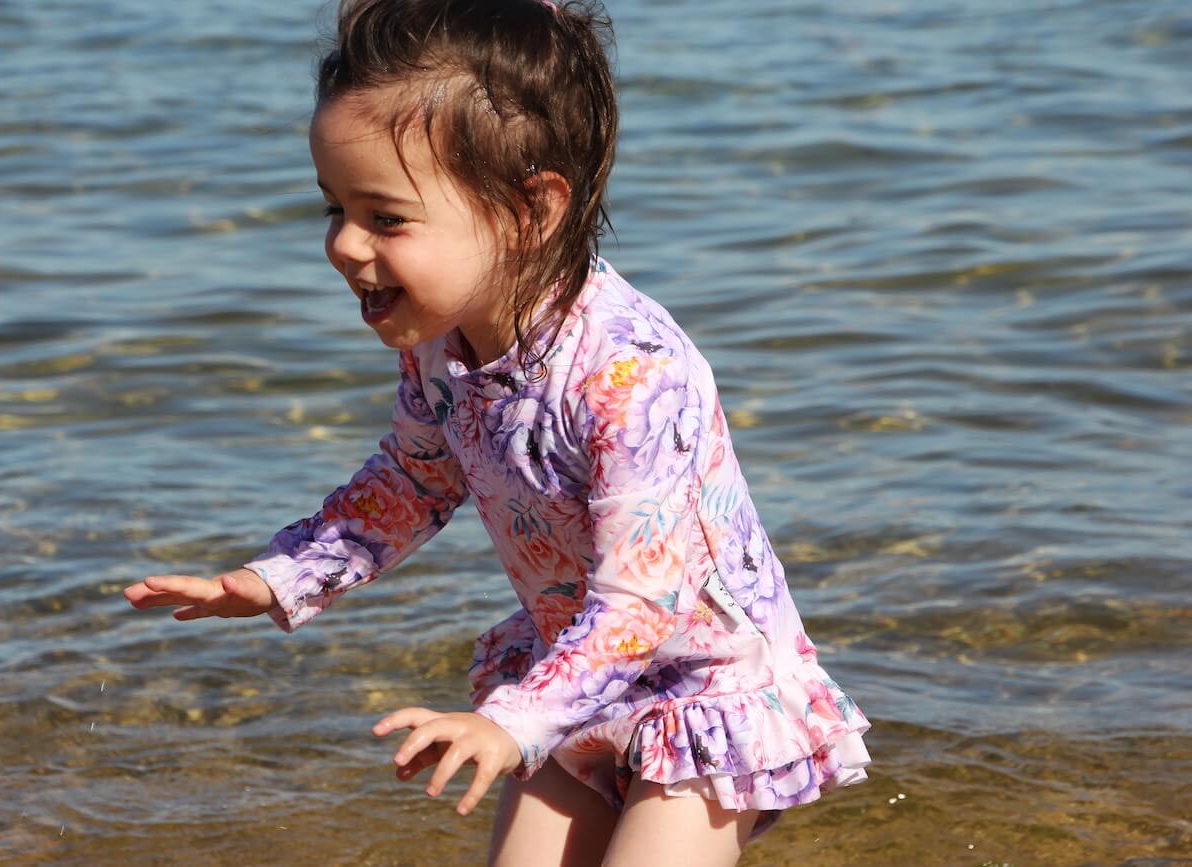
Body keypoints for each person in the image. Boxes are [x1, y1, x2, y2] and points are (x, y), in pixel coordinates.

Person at [123, 1, 871, 863]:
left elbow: (637, 605)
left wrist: (509, 722)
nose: (341, 244)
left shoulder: (633, 377)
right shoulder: (443, 346)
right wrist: (277, 576)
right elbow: (410, 481)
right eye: (333, 207)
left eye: (385, 217)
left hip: (706, 689)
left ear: (530, 212)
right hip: (571, 667)